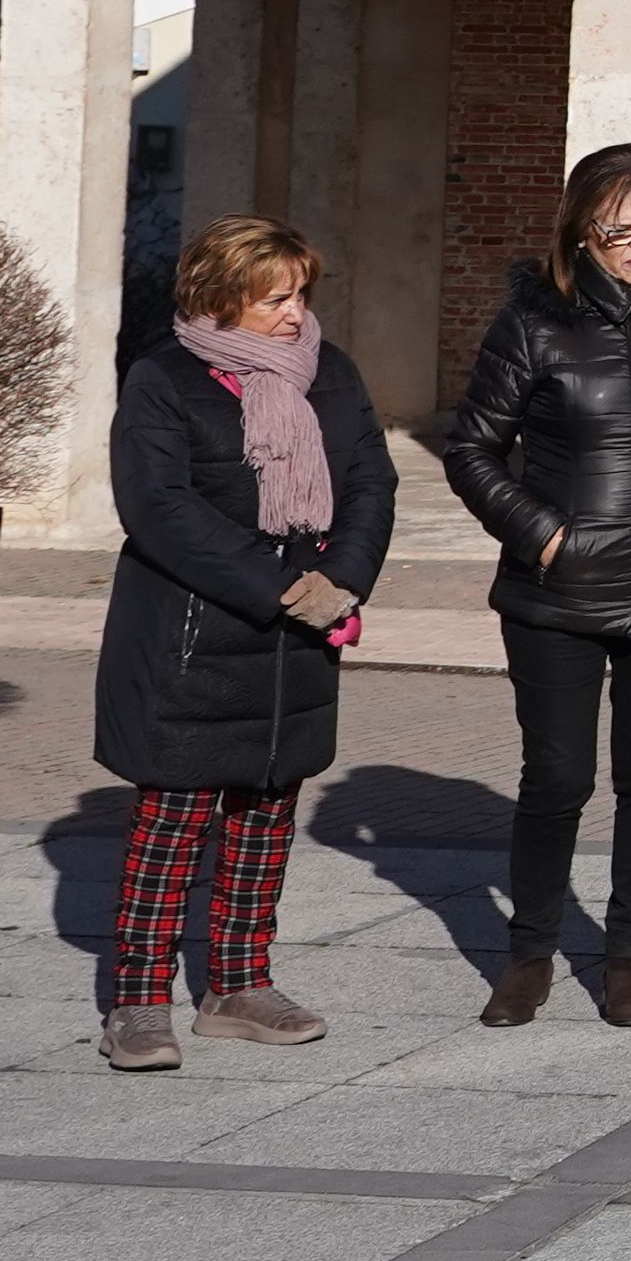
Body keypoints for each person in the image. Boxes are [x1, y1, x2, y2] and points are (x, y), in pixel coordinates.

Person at [431, 143, 631, 1031]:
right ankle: (530, 953)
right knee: (557, 778)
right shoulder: (534, 325)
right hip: (558, 595)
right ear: (582, 232)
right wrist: (544, 536)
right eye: (623, 229)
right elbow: (471, 450)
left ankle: (627, 959)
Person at [89, 215, 398, 1070]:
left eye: (300, 295)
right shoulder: (163, 379)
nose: (296, 314)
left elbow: (371, 478)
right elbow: (159, 507)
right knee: (174, 819)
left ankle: (238, 984)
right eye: (275, 299)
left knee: (266, 813)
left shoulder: (328, 374)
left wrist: (345, 581)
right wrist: (278, 588)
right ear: (221, 300)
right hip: (193, 635)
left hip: (297, 641)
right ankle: (139, 1001)